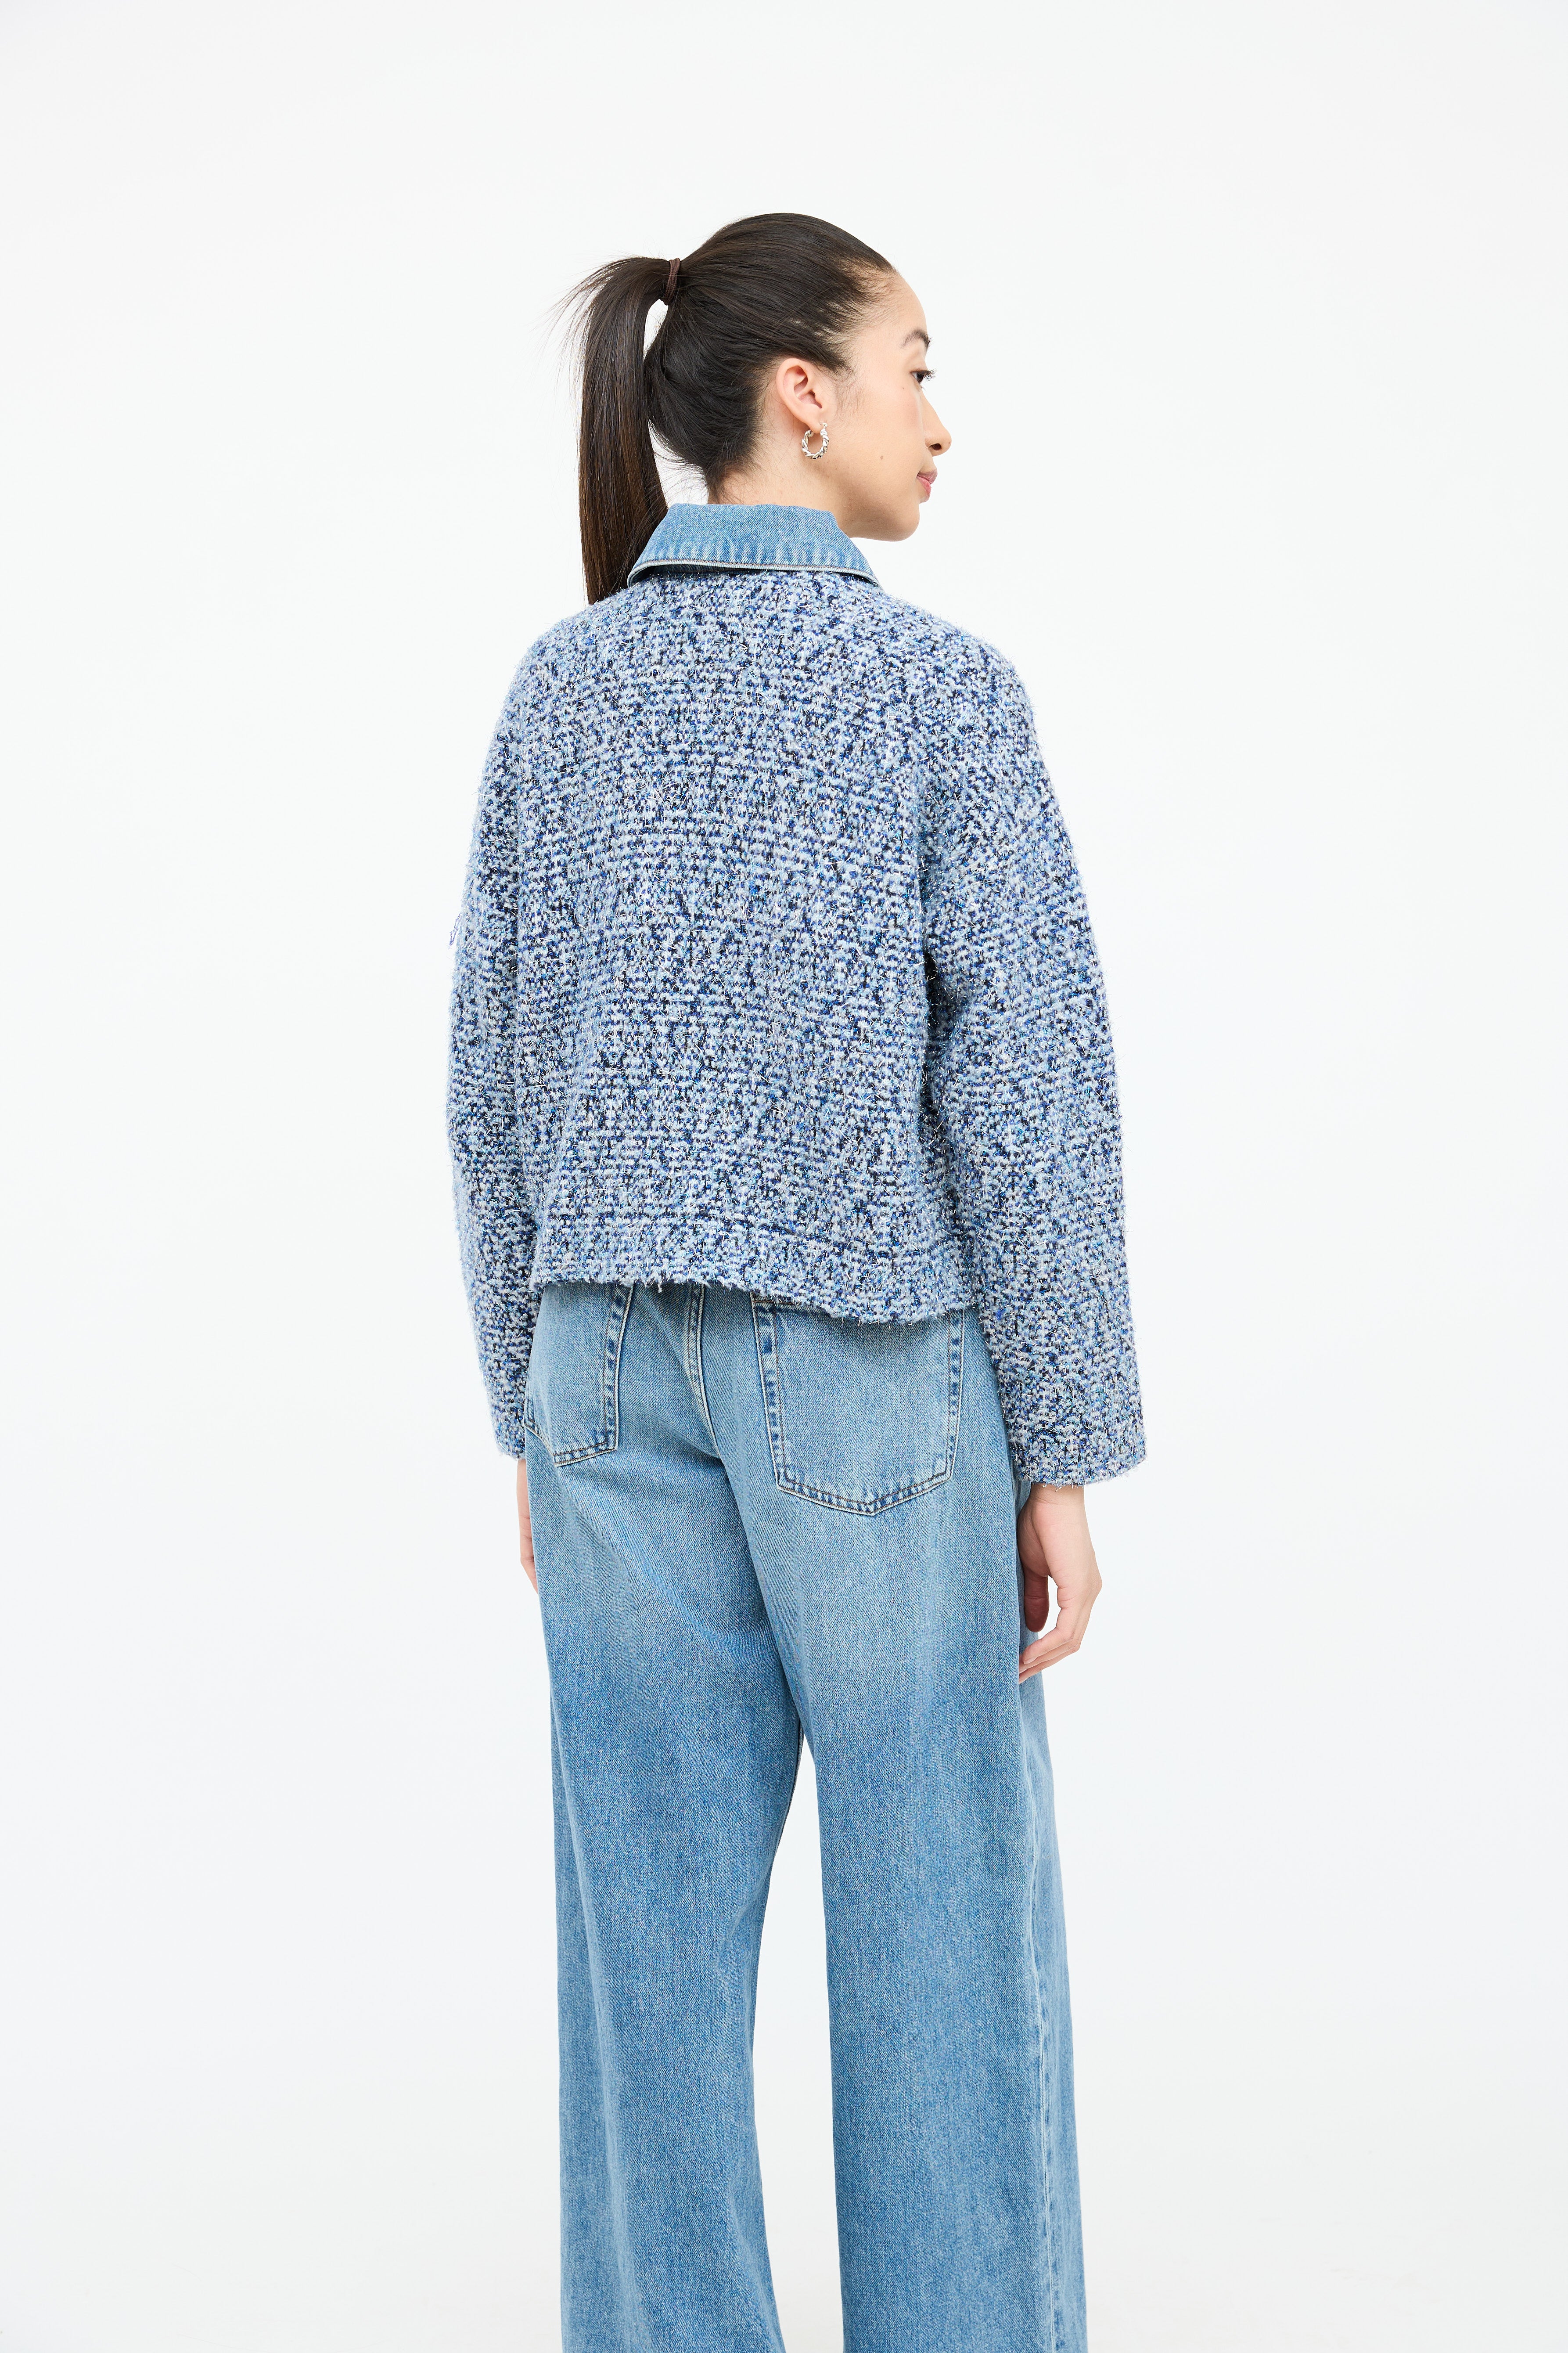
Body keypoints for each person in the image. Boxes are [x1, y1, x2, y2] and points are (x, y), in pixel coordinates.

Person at [447, 211, 1144, 2353]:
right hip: (872, 1375)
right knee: (939, 1926)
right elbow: (1025, 1087)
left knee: (641, 1966)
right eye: (913, 366)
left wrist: (525, 1399)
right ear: (801, 391)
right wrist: (1062, 1442)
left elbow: (491, 1076)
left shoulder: (562, 690)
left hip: (599, 1371)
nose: (939, 418)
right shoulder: (935, 690)